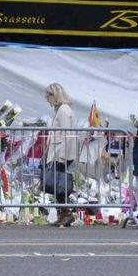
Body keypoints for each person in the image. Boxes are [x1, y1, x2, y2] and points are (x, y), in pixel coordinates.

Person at [44, 82, 80, 227]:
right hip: (59, 151)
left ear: (54, 95)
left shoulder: (63, 110)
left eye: (48, 96)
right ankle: (63, 213)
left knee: (59, 185)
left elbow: (67, 134)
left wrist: (63, 155)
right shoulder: (61, 110)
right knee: (57, 184)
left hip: (62, 153)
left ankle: (67, 213)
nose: (47, 99)